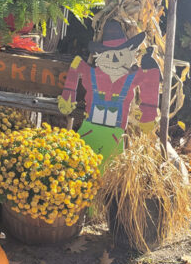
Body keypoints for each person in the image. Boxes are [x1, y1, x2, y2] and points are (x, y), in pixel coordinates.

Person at [58, 21, 160, 161]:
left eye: (119, 55)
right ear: (98, 56)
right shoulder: (92, 73)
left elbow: (150, 79)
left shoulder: (130, 78)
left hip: (114, 138)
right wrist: (68, 95)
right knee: (82, 166)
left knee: (108, 172)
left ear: (129, 54)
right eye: (107, 55)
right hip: (89, 134)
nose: (114, 60)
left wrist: (148, 114)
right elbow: (76, 65)